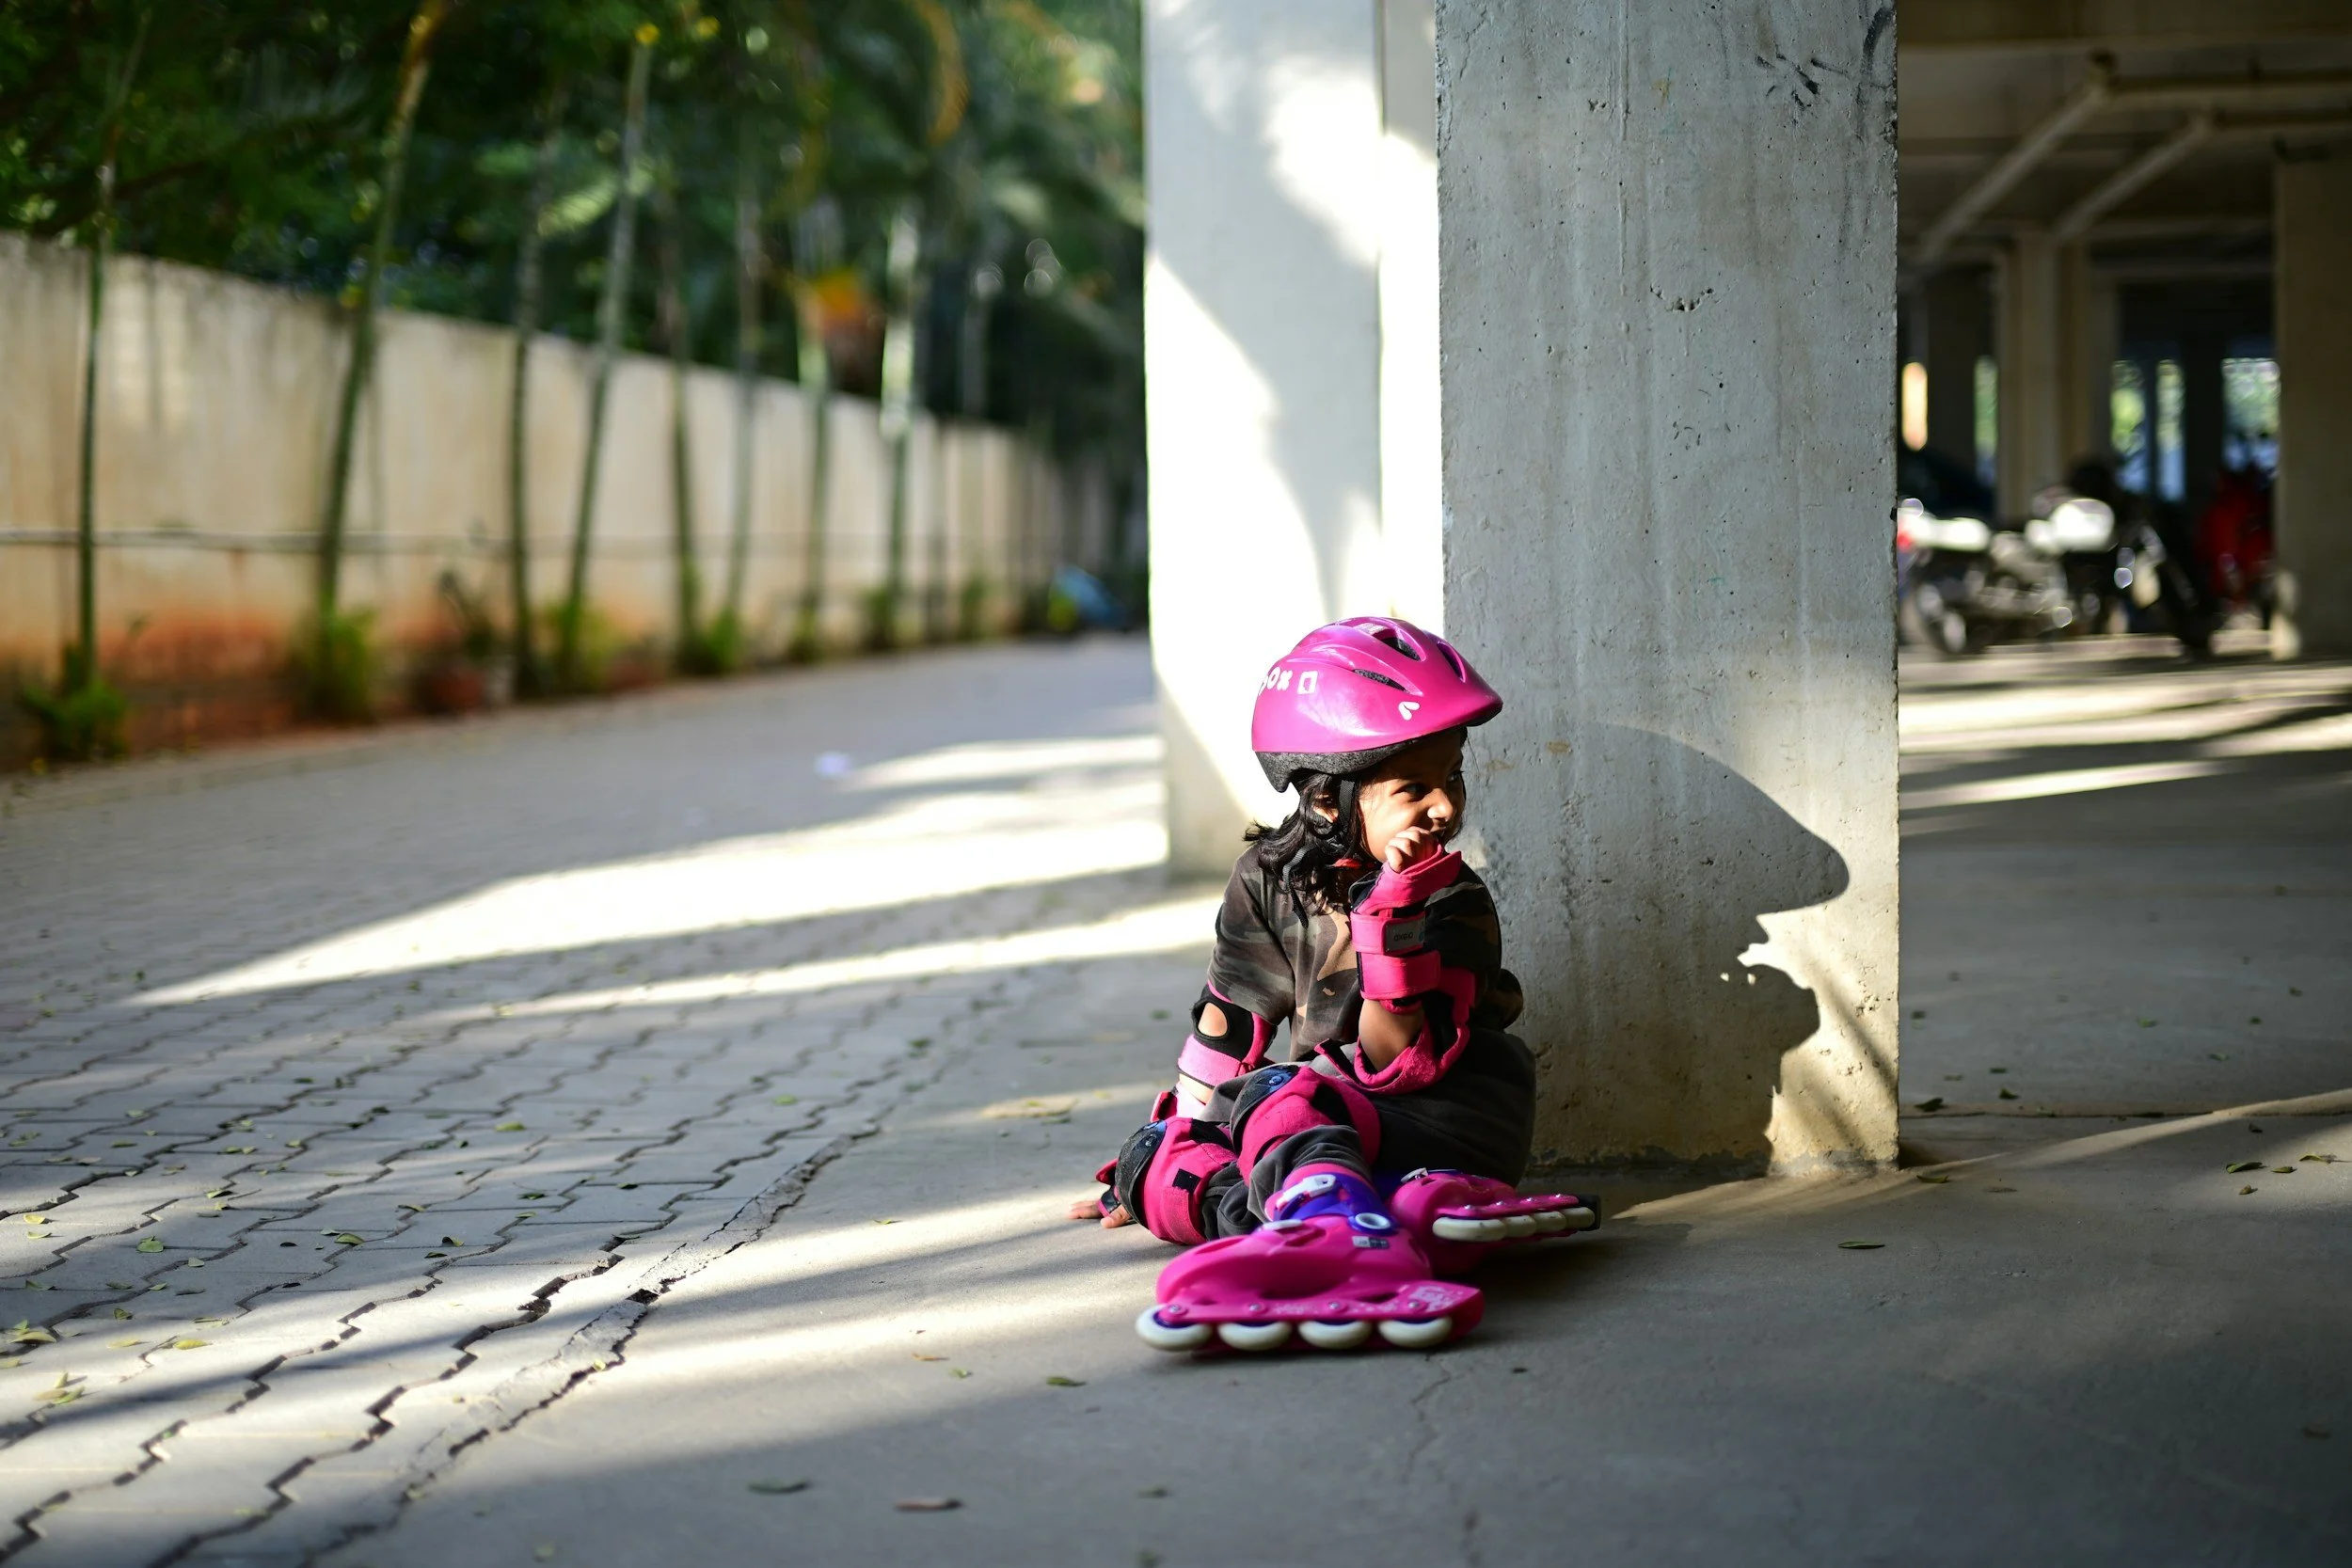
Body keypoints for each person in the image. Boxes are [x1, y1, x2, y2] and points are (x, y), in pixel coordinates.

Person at [1073, 616, 1593, 1353]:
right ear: (1326, 801)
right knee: (1155, 1152)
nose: (1444, 807)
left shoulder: (1450, 897)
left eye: (1452, 778)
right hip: (1321, 1128)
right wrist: (1182, 1138)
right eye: (1415, 787)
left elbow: (1394, 1056)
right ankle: (1390, 1211)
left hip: (1454, 1111)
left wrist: (1393, 919)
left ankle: (1342, 1229)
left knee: (1284, 1096)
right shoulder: (1266, 880)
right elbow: (1229, 1025)